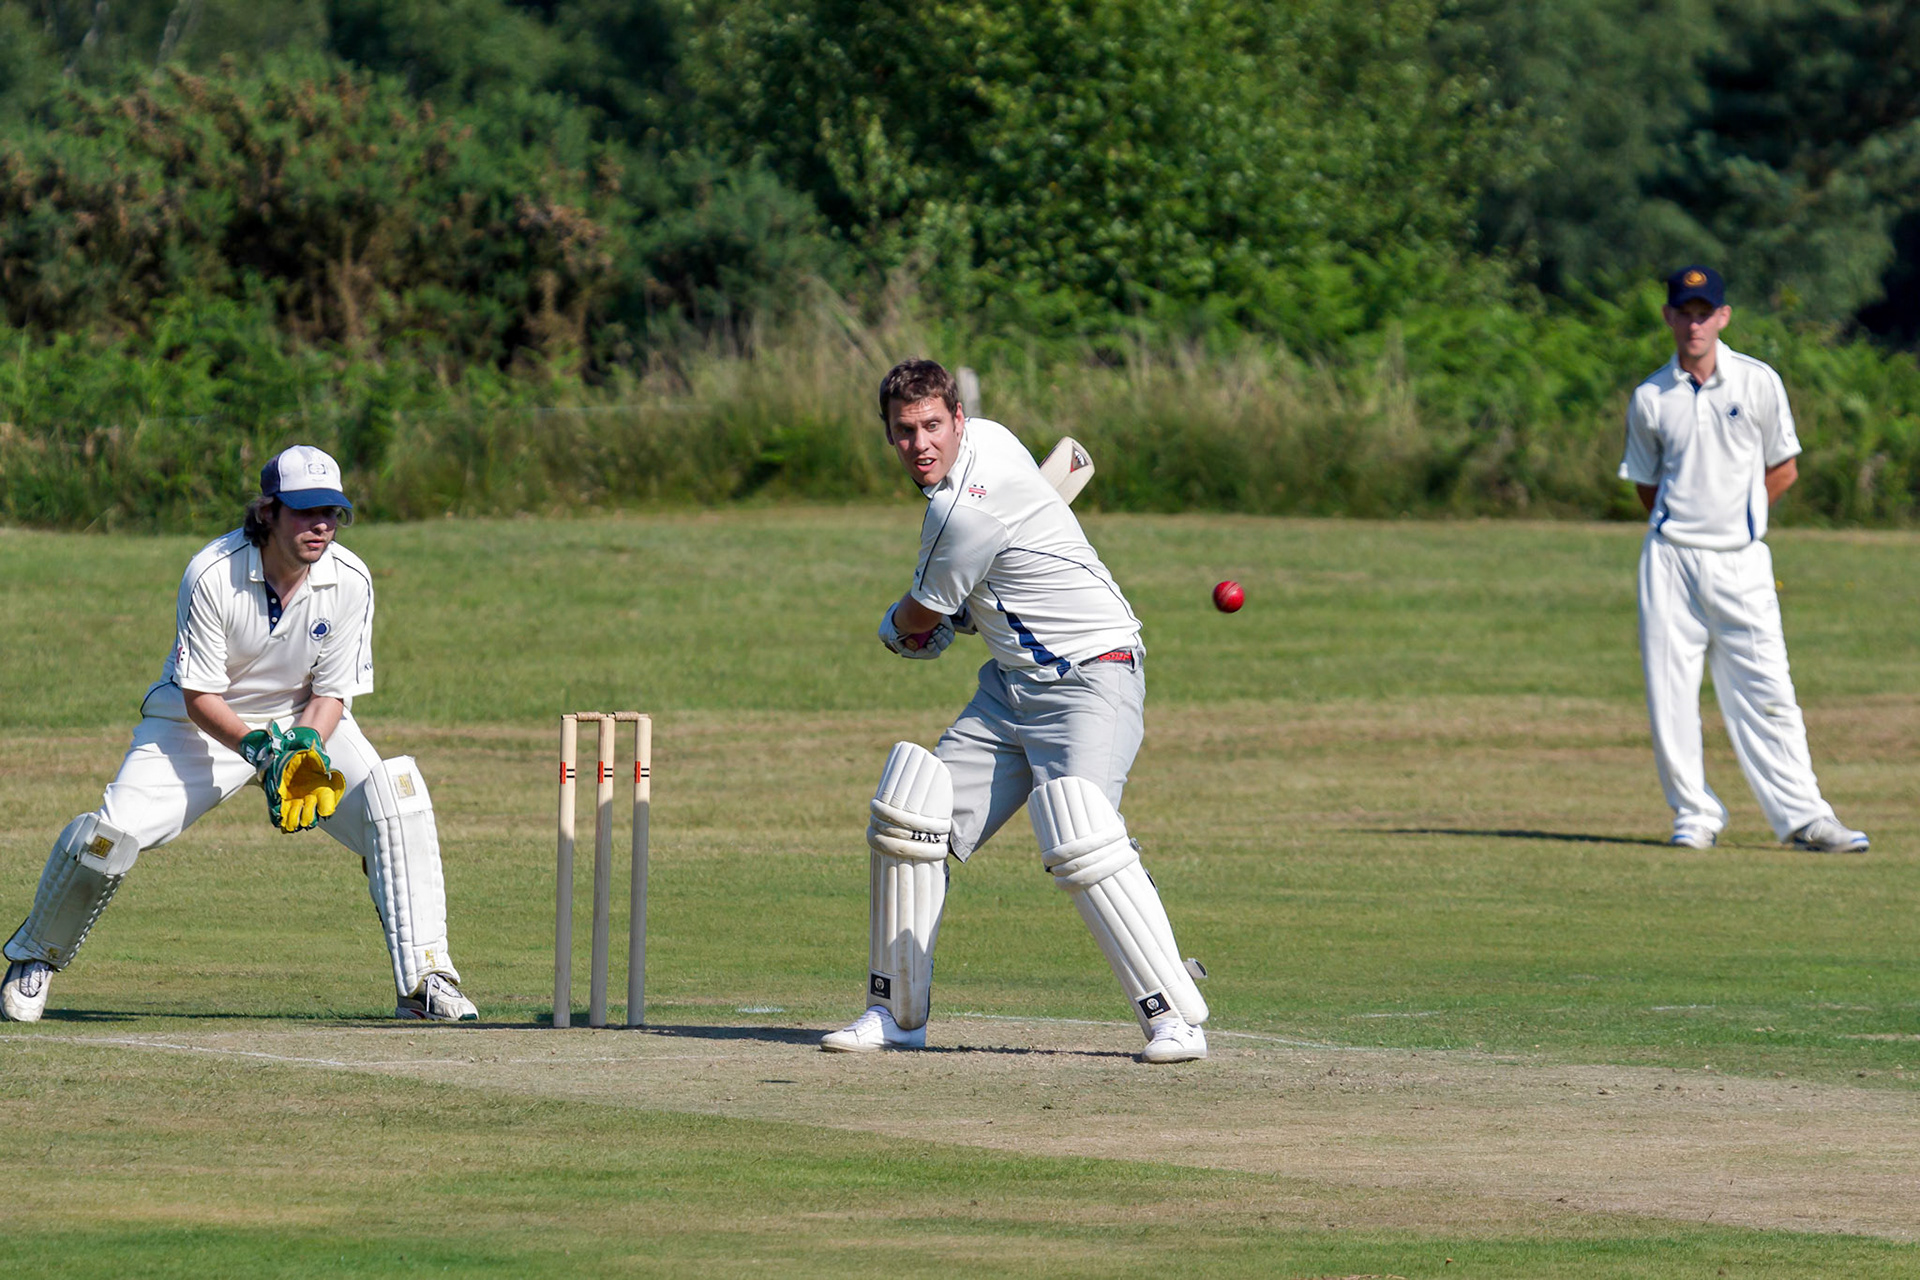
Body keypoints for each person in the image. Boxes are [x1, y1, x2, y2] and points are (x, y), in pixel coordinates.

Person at [0, 446, 478, 1022]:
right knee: (109, 838)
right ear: (268, 513)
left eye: (331, 512)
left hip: (303, 722)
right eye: (304, 512)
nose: (320, 526)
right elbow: (200, 694)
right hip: (198, 726)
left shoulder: (351, 580)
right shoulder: (212, 573)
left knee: (397, 801)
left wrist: (302, 747)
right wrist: (258, 751)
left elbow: (332, 692)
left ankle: (425, 979)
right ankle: (34, 956)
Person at [821, 359, 1209, 1063]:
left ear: (957, 420)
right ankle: (895, 1014)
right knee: (915, 819)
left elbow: (918, 622)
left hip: (1092, 673)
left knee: (1084, 839)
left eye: (932, 426)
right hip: (1010, 686)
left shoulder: (956, 511)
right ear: (888, 434)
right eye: (904, 432)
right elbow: (989, 576)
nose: (920, 444)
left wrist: (898, 630)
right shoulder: (997, 441)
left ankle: (1175, 1016)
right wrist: (960, 612)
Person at [1620, 266, 1868, 853]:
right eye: (1684, 311)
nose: (1694, 322)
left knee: (1768, 689)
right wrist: (1685, 521)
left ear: (1723, 317)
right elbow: (1647, 483)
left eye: (1705, 312)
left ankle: (1805, 816)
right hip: (1670, 560)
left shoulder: (1757, 383)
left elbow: (1784, 467)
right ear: (1669, 317)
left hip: (1741, 559)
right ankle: (1694, 813)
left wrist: (1738, 517)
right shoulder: (1651, 397)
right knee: (1670, 691)